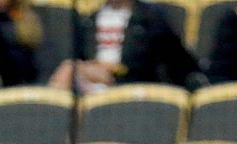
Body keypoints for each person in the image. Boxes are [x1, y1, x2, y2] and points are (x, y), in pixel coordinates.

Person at [48, 0, 207, 93]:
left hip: (131, 87)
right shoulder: (88, 21)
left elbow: (177, 63)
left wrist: (111, 70)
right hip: (88, 86)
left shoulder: (152, 19)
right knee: (66, 70)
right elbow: (79, 57)